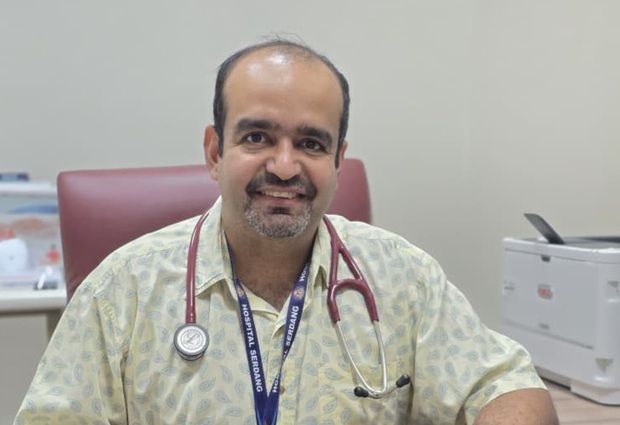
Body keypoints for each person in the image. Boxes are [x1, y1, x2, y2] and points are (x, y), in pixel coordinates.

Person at [15, 39, 558, 425]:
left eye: (311, 144)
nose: (283, 166)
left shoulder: (403, 278)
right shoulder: (121, 292)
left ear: (338, 160)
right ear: (214, 151)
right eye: (257, 137)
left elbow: (507, 387)